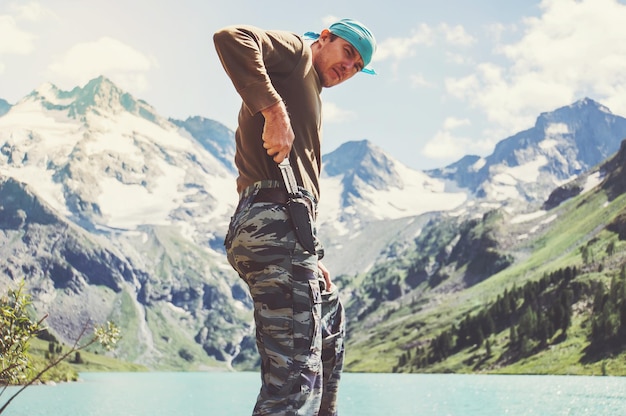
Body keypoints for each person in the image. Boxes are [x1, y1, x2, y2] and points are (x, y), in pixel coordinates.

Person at [214, 18, 377, 415]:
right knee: (291, 382)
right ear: (325, 38)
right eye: (347, 53)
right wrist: (273, 111)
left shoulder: (310, 86)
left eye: (357, 67)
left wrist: (312, 256)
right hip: (272, 223)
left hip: (288, 231)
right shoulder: (296, 54)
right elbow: (232, 38)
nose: (348, 68)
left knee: (330, 320)